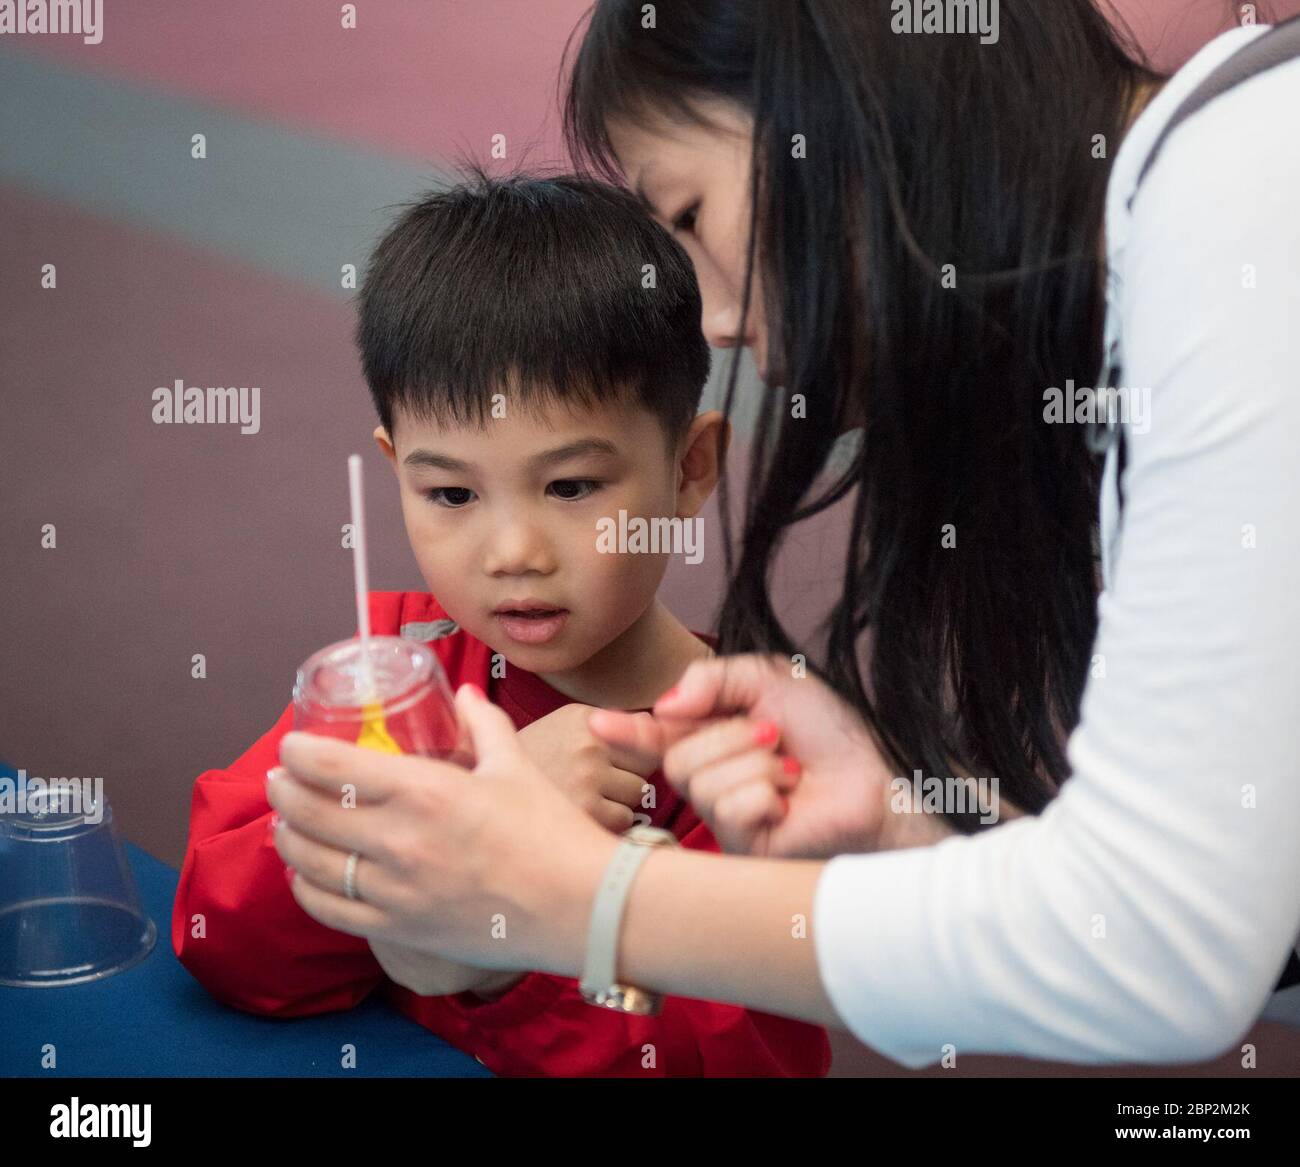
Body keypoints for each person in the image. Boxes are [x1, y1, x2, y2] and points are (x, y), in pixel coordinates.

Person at [267, 1, 1300, 1067]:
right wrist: (915, 833)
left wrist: (578, 898)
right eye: (451, 494)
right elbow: (1227, 879)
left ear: (852, 106)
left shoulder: (1237, 221)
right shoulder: (1215, 201)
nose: (716, 320)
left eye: (692, 212)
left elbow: (1155, 952)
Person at [173, 169, 831, 1077]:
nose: (512, 549)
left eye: (570, 486)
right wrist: (437, 815)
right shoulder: (400, 676)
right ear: (394, 469)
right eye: (450, 492)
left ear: (689, 467)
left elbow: (748, 1061)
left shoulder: (743, 754)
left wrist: (495, 945)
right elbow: (218, 932)